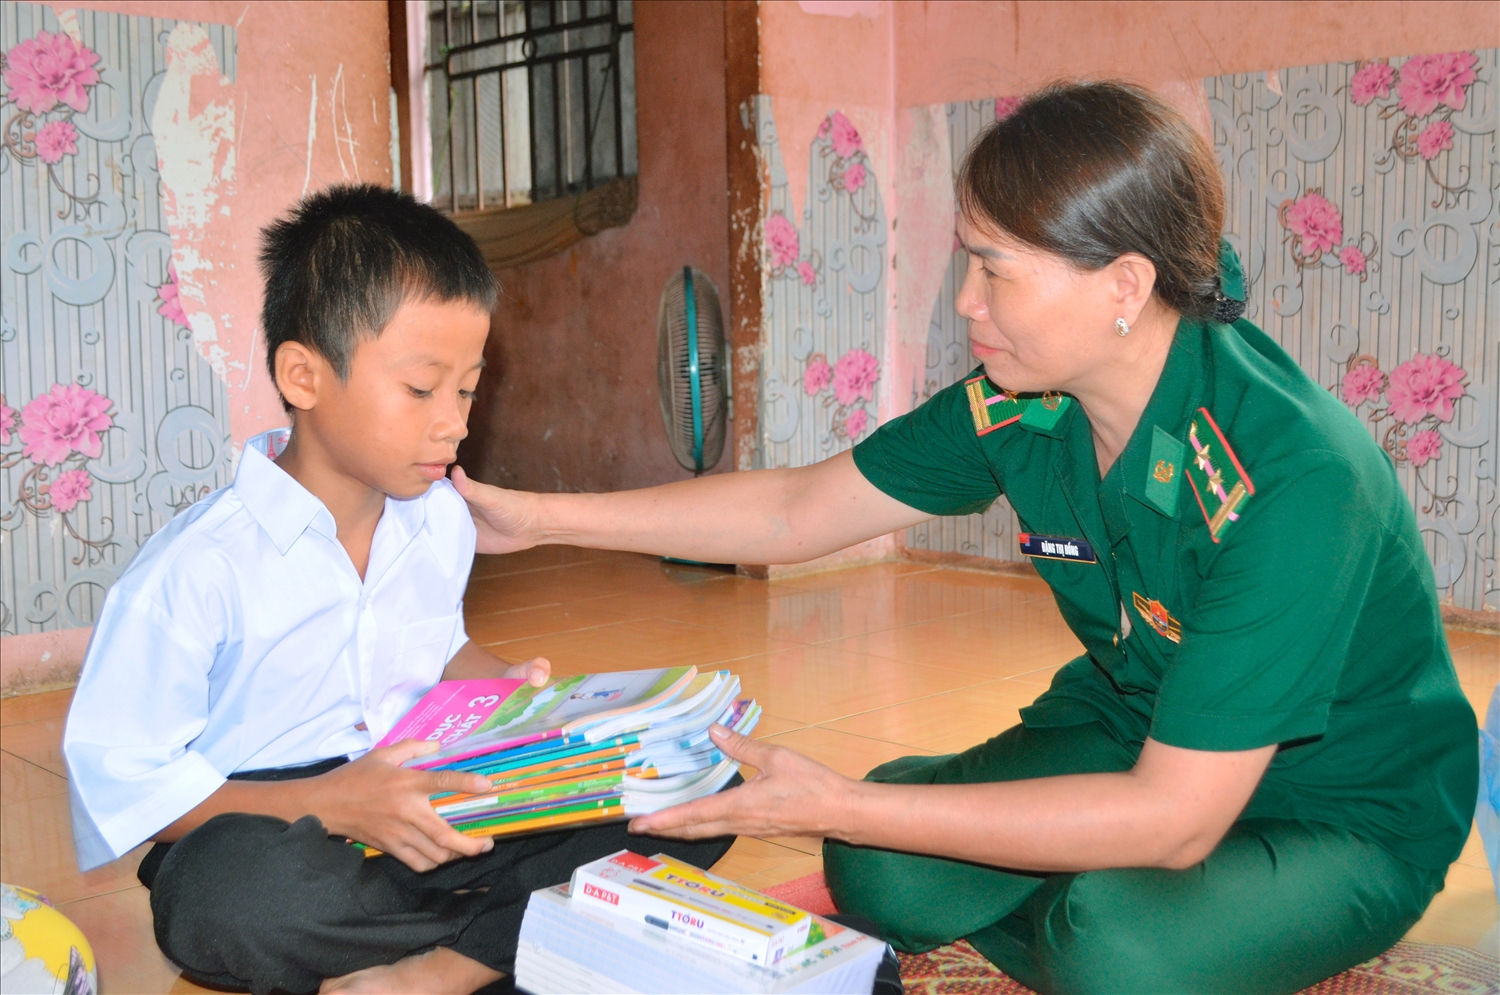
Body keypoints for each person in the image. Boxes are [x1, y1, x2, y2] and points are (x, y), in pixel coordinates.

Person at [453, 82, 1479, 993]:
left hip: (1336, 811)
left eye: (996, 269)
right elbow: (797, 510)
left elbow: (1177, 817)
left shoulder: (1293, 478)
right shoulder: (1023, 403)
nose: (965, 303)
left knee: (1114, 947)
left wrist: (847, 799)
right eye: (966, 261)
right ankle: (1073, 853)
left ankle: (1098, 884)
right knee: (880, 868)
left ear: (1124, 284)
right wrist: (543, 518)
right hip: (1134, 725)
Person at [62, 185, 734, 995]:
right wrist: (338, 801)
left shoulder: (436, 519)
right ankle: (529, 923)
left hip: (429, 791)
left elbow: (437, 648)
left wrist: (518, 694)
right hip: (279, 823)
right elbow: (130, 787)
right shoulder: (193, 572)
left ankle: (447, 965)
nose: (452, 422)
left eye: (467, 388)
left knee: (698, 779)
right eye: (422, 389)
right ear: (303, 376)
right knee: (224, 902)